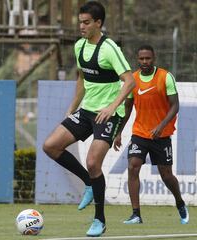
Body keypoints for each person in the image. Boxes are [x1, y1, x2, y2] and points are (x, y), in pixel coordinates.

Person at [43, 1, 135, 237]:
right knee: (51, 146)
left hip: (109, 114)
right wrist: (71, 108)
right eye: (80, 22)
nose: (81, 26)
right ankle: (88, 183)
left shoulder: (109, 48)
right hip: (86, 110)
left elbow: (129, 81)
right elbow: (82, 79)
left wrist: (112, 107)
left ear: (98, 23)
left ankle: (100, 220)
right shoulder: (79, 47)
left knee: (94, 162)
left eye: (86, 23)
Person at [113, 45, 189, 225]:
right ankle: (136, 214)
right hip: (140, 133)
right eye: (142, 59)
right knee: (133, 166)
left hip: (161, 136)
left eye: (148, 58)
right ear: (137, 60)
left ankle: (179, 202)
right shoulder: (133, 79)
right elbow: (128, 107)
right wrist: (119, 132)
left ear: (153, 58)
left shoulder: (165, 77)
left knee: (166, 174)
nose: (145, 62)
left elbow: (175, 105)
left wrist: (161, 126)